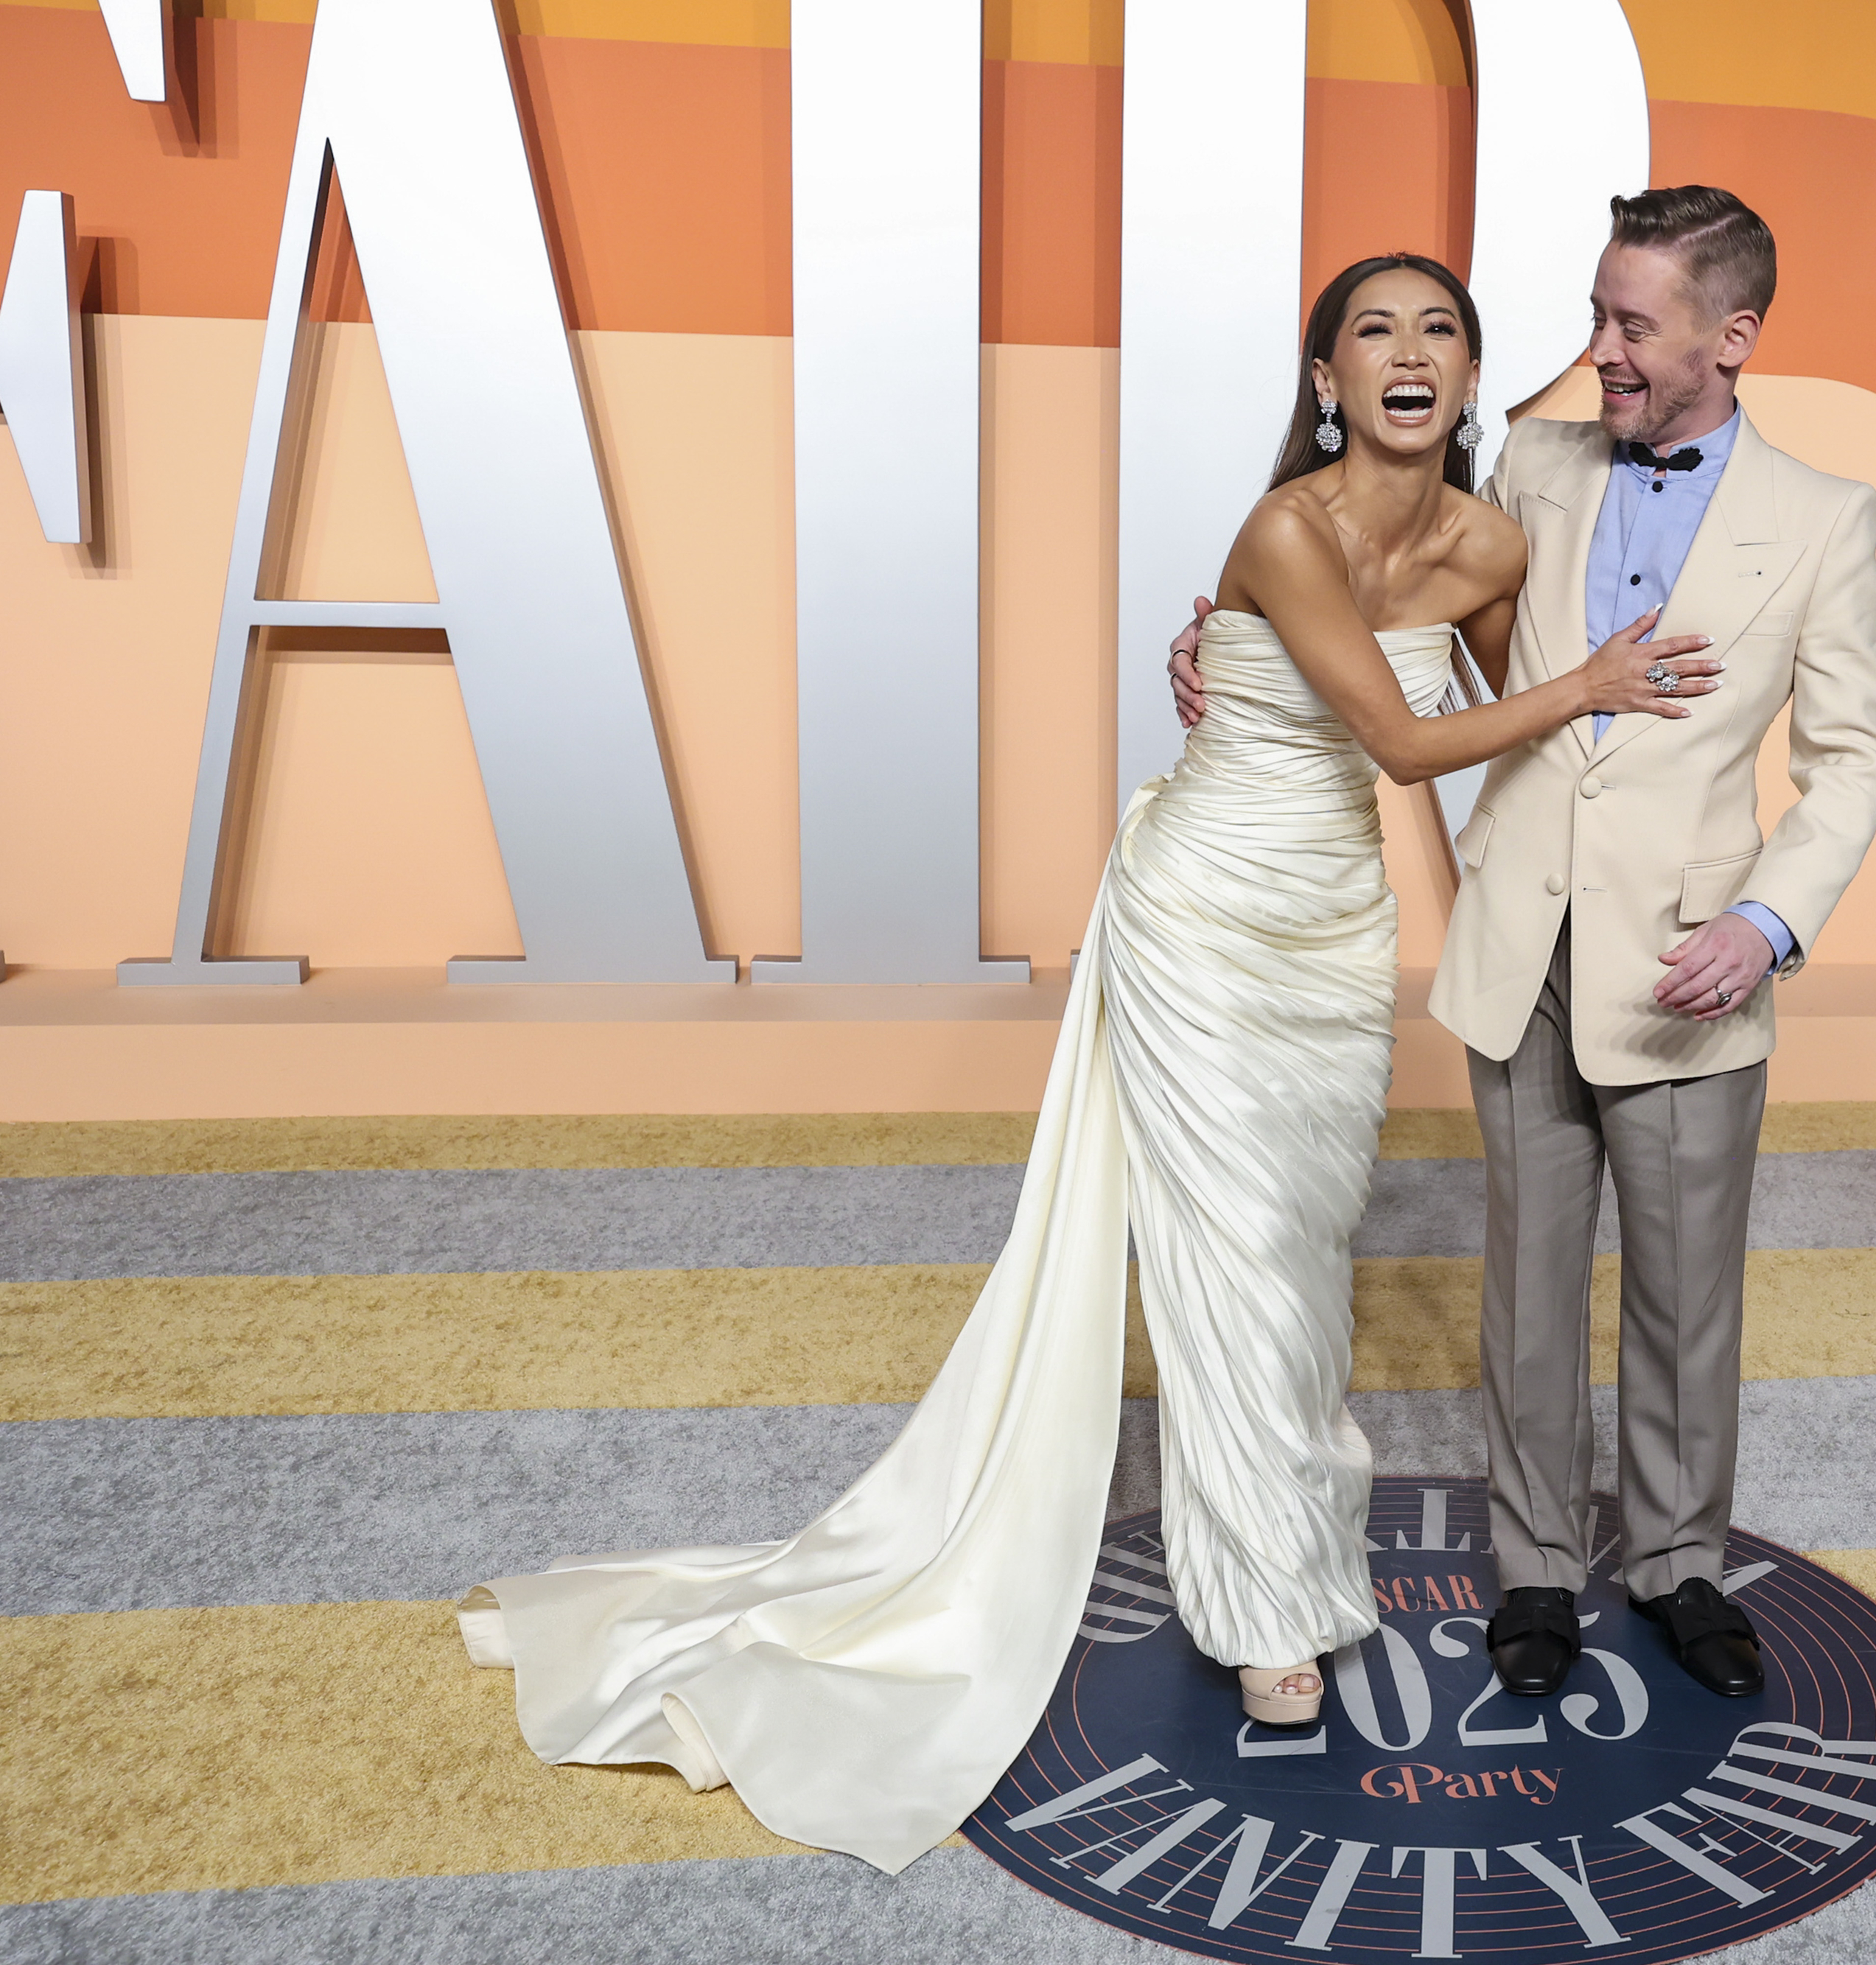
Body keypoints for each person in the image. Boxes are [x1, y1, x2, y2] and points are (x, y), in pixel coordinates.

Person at [455, 253, 1719, 1876]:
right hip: (1196, 916)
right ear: (1323, 377)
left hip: (1330, 936)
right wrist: (1591, 676)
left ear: (1470, 377)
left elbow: (1502, 738)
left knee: (1306, 1253)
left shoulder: (1488, 546)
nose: (1406, 355)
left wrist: (1511, 907)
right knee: (1228, 1257)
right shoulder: (1284, 528)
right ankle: (1266, 1608)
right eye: (1370, 334)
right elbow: (1406, 743)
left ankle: (1286, 1550)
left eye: (1438, 330)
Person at [1172, 186, 1876, 1706]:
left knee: (1684, 1290)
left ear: (1731, 335)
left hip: (1690, 952)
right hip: (1522, 935)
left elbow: (1853, 759)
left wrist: (1766, 925)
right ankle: (1535, 1568)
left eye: (1631, 324)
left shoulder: (1824, 519)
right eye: (1593, 313)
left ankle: (1680, 1559)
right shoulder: (1535, 464)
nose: (1598, 351)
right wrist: (1226, 644)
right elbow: (1396, 601)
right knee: (1527, 1280)